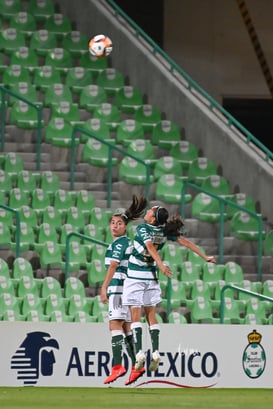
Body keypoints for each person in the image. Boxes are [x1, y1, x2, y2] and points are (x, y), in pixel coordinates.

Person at [122, 205, 217, 372]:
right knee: (151, 315)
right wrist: (205, 257)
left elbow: (150, 247)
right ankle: (156, 352)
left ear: (153, 218)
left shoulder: (143, 228)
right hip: (151, 278)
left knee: (134, 315)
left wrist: (161, 265)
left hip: (136, 276)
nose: (148, 211)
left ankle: (138, 354)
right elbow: (186, 243)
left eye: (151, 211)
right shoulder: (164, 231)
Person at [100, 195, 147, 385]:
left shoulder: (120, 243)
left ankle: (117, 365)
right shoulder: (124, 242)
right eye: (112, 223)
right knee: (126, 328)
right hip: (127, 288)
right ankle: (138, 364)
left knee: (114, 325)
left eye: (119, 223)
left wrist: (104, 287)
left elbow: (113, 265)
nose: (115, 226)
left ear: (125, 227)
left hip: (119, 288)